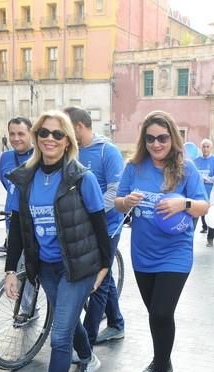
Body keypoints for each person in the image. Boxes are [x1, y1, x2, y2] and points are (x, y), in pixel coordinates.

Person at [3, 110, 111, 372]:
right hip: (45, 268)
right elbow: (19, 230)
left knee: (59, 336)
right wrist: (12, 270)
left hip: (77, 267)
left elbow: (98, 225)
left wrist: (104, 268)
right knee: (66, 320)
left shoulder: (81, 177)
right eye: (44, 133)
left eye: (57, 134)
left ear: (68, 141)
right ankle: (89, 358)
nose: (50, 139)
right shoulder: (23, 177)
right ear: (36, 137)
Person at [115, 111, 209, 372]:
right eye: (151, 138)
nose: (157, 143)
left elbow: (205, 206)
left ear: (173, 138)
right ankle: (162, 361)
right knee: (156, 314)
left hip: (175, 253)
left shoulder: (186, 169)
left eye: (163, 138)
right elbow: (117, 202)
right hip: (143, 254)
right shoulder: (134, 167)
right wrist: (126, 202)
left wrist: (185, 202)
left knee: (160, 314)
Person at [65, 106, 126, 348]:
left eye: (66, 128)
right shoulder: (71, 152)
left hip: (107, 226)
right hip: (79, 228)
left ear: (79, 126)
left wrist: (91, 214)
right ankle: (117, 324)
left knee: (97, 280)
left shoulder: (107, 151)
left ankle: (87, 343)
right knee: (106, 275)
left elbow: (116, 191)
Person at [0, 117, 34, 255]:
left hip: (35, 220)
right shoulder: (5, 157)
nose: (16, 138)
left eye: (21, 134)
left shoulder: (41, 156)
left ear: (31, 134)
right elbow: (8, 186)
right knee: (15, 267)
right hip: (11, 219)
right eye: (12, 134)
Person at [194, 139, 214, 245]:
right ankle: (189, 238)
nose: (205, 149)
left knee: (210, 215)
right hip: (197, 193)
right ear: (201, 148)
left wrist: (205, 179)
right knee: (194, 214)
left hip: (210, 192)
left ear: (211, 148)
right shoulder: (196, 160)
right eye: (203, 146)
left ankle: (210, 238)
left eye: (207, 147)